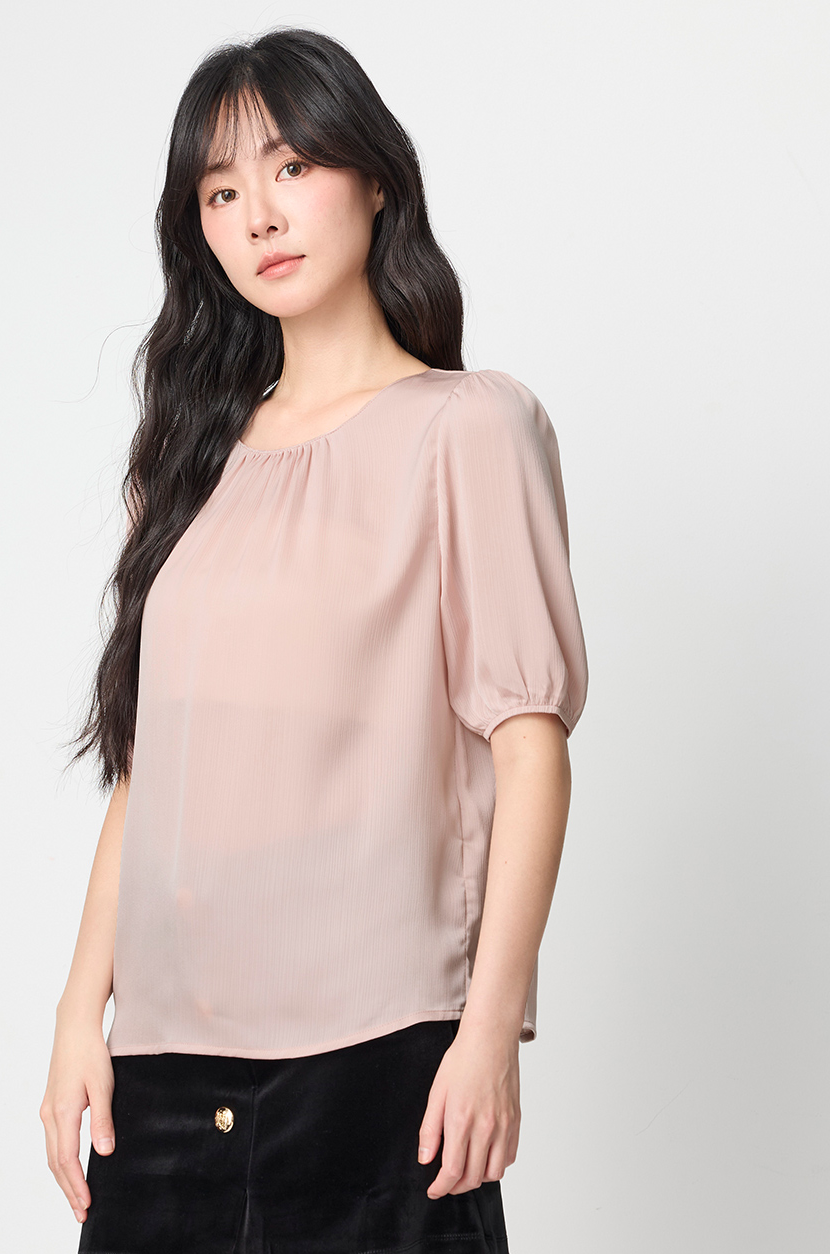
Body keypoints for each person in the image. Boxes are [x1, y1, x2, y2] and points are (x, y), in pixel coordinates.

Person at [40, 26, 589, 1254]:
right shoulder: (187, 468)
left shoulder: (468, 429)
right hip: (164, 1073)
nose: (259, 216)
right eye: (220, 192)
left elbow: (529, 746)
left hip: (378, 1062)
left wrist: (488, 1032)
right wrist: (81, 1013)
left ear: (374, 177)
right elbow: (148, 771)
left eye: (291, 167)